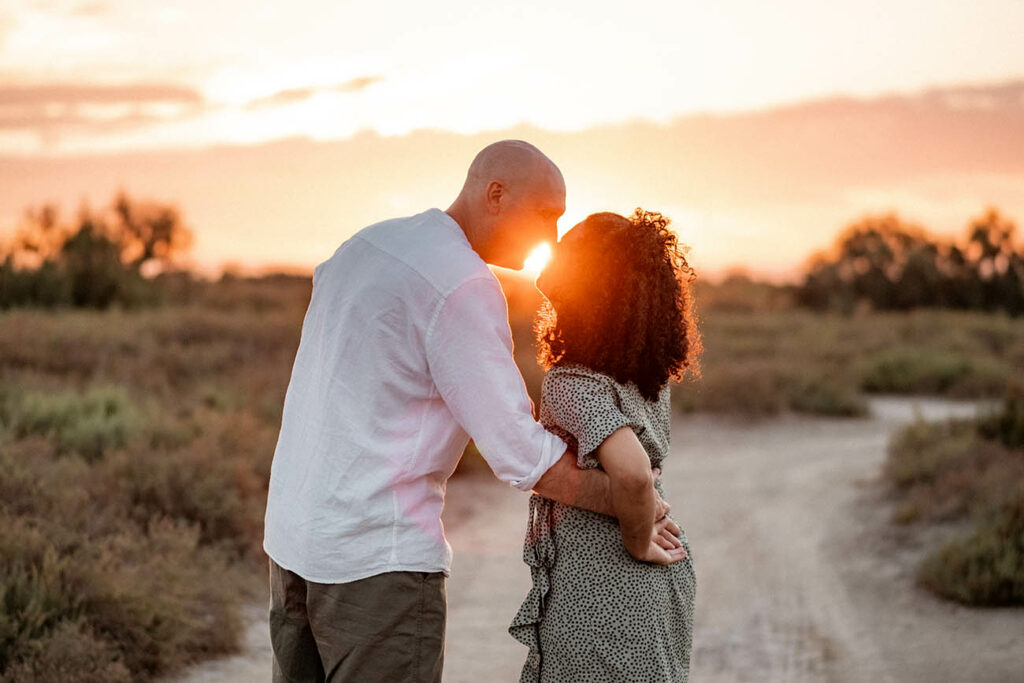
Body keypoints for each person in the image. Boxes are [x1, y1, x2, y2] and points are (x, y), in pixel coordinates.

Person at [262, 141, 683, 682]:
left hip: (293, 545)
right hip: (377, 567)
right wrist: (636, 502)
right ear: (496, 195)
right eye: (545, 216)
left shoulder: (363, 247)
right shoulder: (463, 284)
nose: (551, 238)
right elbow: (523, 456)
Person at [509, 208, 701, 683]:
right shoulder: (647, 379)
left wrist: (636, 543)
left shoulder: (572, 382)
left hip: (605, 581)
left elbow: (634, 473)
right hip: (662, 578)